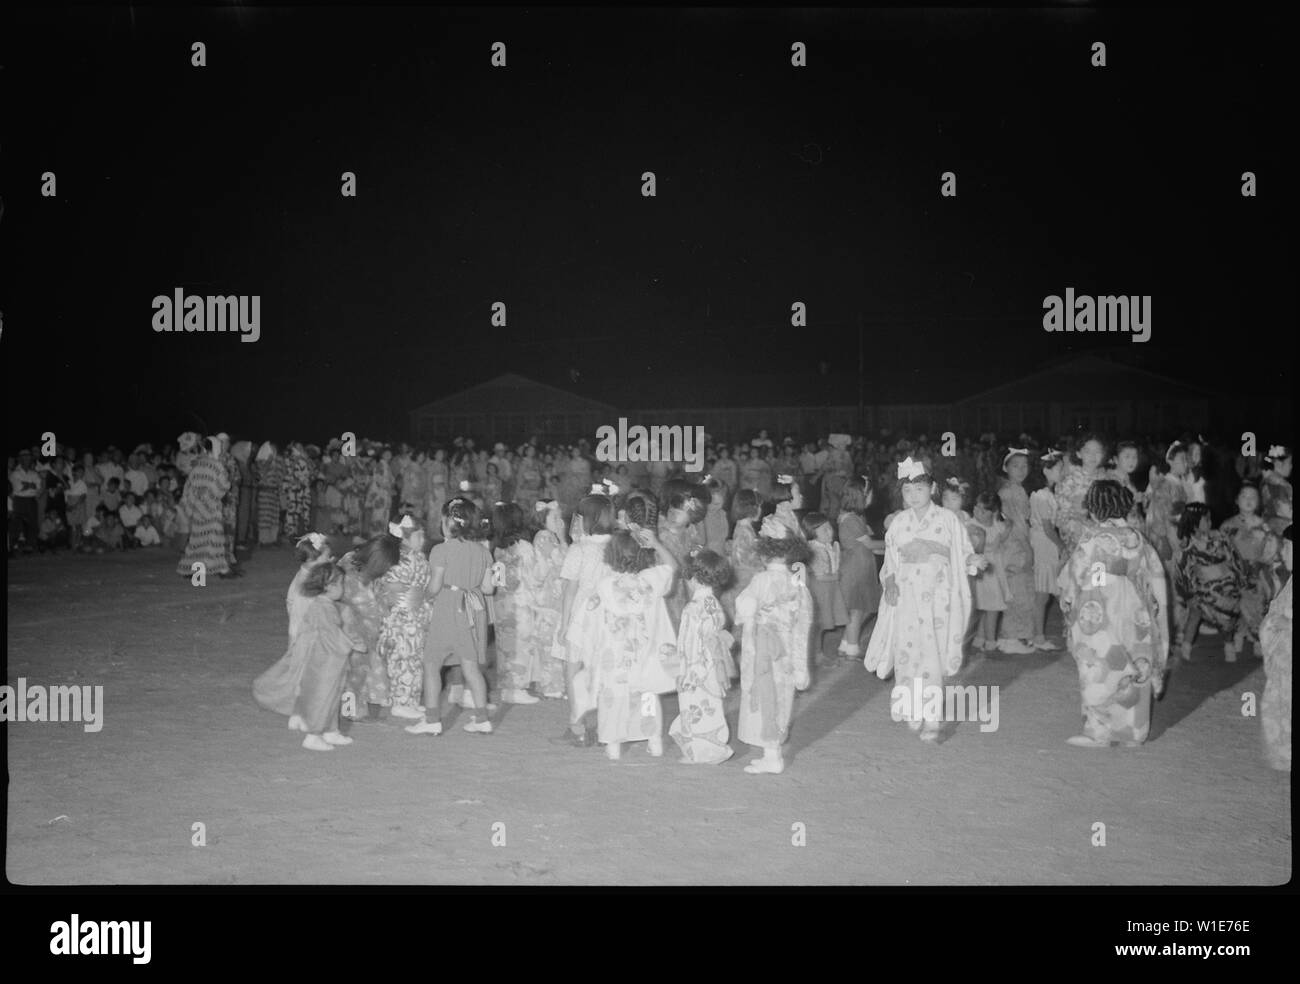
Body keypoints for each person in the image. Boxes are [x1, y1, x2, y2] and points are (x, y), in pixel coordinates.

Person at [864, 457, 979, 741]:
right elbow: (889, 563)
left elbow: (962, 552)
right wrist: (889, 582)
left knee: (931, 655)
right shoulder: (899, 523)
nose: (913, 496)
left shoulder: (947, 520)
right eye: (907, 491)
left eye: (919, 489)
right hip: (907, 597)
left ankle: (932, 717)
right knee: (907, 653)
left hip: (937, 598)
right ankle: (911, 707)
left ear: (933, 488)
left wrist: (973, 559)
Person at [1057, 481, 1168, 748]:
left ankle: (1099, 731)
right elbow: (1153, 574)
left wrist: (1069, 600)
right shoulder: (1136, 537)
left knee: (1099, 664)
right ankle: (1134, 731)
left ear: (1094, 509)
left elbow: (1076, 574)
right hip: (1133, 604)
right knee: (1135, 658)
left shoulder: (1093, 537)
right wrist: (1154, 608)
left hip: (1099, 602)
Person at [588, 526, 681, 761]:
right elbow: (673, 567)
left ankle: (613, 743)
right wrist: (657, 543)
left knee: (613, 696)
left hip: (616, 654)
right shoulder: (651, 580)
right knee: (648, 695)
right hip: (645, 651)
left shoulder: (606, 585)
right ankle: (654, 739)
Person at [406, 498, 497, 735]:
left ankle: (432, 719)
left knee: (432, 664)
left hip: (448, 609)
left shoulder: (440, 550)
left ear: (448, 522)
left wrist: (422, 596)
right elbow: (488, 589)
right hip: (471, 610)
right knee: (471, 668)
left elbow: (435, 586)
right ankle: (482, 718)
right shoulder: (483, 551)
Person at [258, 563, 369, 752]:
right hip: (324, 662)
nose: (343, 588)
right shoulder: (323, 608)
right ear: (328, 586)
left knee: (333, 695)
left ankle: (330, 730)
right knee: (323, 697)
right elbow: (331, 634)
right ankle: (314, 734)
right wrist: (353, 643)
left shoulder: (324, 604)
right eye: (340, 583)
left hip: (329, 660)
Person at [735, 514, 813, 771]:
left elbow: (745, 605)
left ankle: (772, 755)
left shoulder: (762, 580)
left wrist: (751, 614)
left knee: (765, 695)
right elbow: (804, 618)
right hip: (787, 648)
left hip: (764, 647)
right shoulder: (797, 582)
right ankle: (773, 748)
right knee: (781, 695)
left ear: (765, 552)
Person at [553, 493, 616, 747]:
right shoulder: (617, 545)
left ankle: (577, 726)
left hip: (581, 615)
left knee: (574, 670)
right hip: (609, 613)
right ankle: (608, 728)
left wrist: (565, 623)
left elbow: (570, 589)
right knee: (604, 671)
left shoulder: (580, 549)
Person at [669, 548, 736, 764]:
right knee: (710, 708)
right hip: (712, 665)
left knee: (694, 708)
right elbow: (716, 628)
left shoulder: (693, 608)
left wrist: (687, 671)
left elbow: (690, 644)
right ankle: (712, 747)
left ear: (694, 578)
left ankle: (701, 752)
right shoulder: (712, 602)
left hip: (696, 666)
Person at [376, 515, 433, 720]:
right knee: (402, 658)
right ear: (405, 539)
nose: (423, 539)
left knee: (415, 659)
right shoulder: (397, 560)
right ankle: (400, 701)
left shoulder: (419, 557)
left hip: (417, 616)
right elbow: (390, 588)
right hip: (401, 618)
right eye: (419, 535)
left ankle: (411, 700)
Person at [1174, 502, 1244, 662]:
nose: (1210, 522)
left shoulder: (1220, 537)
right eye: (1206, 519)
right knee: (1195, 614)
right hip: (1203, 589)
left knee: (1227, 618)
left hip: (1225, 586)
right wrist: (1189, 593)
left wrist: (1238, 576)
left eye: (1210, 519)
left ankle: (1229, 644)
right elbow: (1183, 570)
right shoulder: (1188, 546)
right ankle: (1185, 647)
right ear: (1194, 523)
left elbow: (1233, 556)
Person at [1220, 484, 1284, 658]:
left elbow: (1272, 549)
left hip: (1255, 574)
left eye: (1253, 497)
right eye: (1244, 496)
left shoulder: (1263, 526)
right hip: (1232, 574)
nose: (1248, 501)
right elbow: (1220, 550)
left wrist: (1265, 565)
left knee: (1257, 606)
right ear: (1236, 500)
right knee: (1231, 609)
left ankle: (1256, 639)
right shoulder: (1228, 525)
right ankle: (1231, 640)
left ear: (1259, 502)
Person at [491, 501, 543, 706]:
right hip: (521, 602)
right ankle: (517, 687)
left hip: (502, 601)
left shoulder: (497, 549)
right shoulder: (525, 547)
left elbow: (497, 579)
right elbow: (533, 577)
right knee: (521, 645)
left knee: (505, 645)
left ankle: (507, 686)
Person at [523, 499, 569, 699]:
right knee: (549, 642)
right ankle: (552, 686)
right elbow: (563, 561)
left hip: (555, 596)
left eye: (560, 517)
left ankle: (555, 684)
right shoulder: (544, 537)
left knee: (554, 641)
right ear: (543, 519)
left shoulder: (553, 537)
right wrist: (561, 535)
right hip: (548, 597)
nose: (560, 521)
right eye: (555, 517)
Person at [835, 477, 883, 660]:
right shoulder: (851, 520)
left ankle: (845, 644)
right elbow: (870, 544)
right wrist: (892, 541)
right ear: (862, 496)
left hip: (860, 565)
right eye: (869, 492)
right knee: (857, 609)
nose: (872, 496)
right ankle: (853, 649)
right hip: (856, 569)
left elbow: (869, 546)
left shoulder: (855, 518)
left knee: (861, 608)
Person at [996, 449, 1037, 654]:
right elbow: (1015, 525)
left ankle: (1016, 635)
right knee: (1018, 592)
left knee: (1020, 591)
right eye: (1015, 466)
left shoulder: (1016, 489)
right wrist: (1028, 549)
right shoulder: (1010, 492)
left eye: (1024, 466)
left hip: (1015, 547)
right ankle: (1011, 638)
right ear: (1006, 468)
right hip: (1015, 548)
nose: (1021, 470)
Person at [1258, 524, 1292, 771]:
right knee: (1277, 703)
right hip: (1282, 660)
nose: (1285, 553)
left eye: (1290, 548)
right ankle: (1283, 752)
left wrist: (1288, 623)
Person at [176, 438, 233, 579]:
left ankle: (193, 571)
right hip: (212, 509)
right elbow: (223, 485)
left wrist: (194, 502)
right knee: (215, 540)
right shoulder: (217, 466)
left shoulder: (196, 467)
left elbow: (188, 488)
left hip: (197, 508)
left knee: (196, 540)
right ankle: (222, 570)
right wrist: (210, 497)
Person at [1029, 451, 1067, 651]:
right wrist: (1062, 545)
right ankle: (1038, 636)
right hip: (1045, 544)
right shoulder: (1042, 495)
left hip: (1047, 542)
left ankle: (1039, 635)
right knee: (1043, 592)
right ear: (1046, 470)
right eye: (1060, 468)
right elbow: (1047, 527)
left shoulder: (1049, 493)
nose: (1063, 471)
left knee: (1048, 590)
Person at [801, 511, 848, 665]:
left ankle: (818, 653)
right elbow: (820, 575)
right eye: (824, 530)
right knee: (819, 622)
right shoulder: (815, 549)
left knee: (822, 623)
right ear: (812, 533)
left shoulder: (826, 546)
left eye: (830, 528)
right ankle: (815, 655)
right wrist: (837, 576)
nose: (830, 532)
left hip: (828, 588)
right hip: (820, 589)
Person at [1055, 433, 1107, 556]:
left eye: (1097, 451)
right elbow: (1061, 516)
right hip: (1079, 539)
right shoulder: (1070, 481)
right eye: (1088, 451)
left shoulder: (1106, 478)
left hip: (1104, 538)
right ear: (1079, 454)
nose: (1093, 456)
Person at [1261, 444, 1293, 536]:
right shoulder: (1278, 484)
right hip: (1283, 533)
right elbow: (1286, 512)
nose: (1291, 466)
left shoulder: (1266, 481)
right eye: (1289, 462)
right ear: (1279, 464)